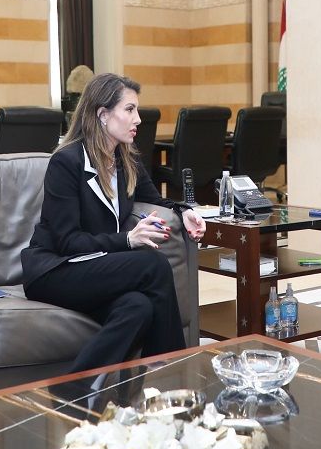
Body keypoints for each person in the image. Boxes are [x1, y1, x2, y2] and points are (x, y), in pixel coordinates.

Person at [21, 73, 206, 372]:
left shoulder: (126, 160)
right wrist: (128, 240)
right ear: (103, 114)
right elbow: (67, 241)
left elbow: (155, 200)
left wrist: (184, 212)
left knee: (138, 307)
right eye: (129, 109)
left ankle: (76, 388)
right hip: (55, 269)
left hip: (97, 265)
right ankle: (172, 378)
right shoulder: (66, 162)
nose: (138, 119)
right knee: (154, 265)